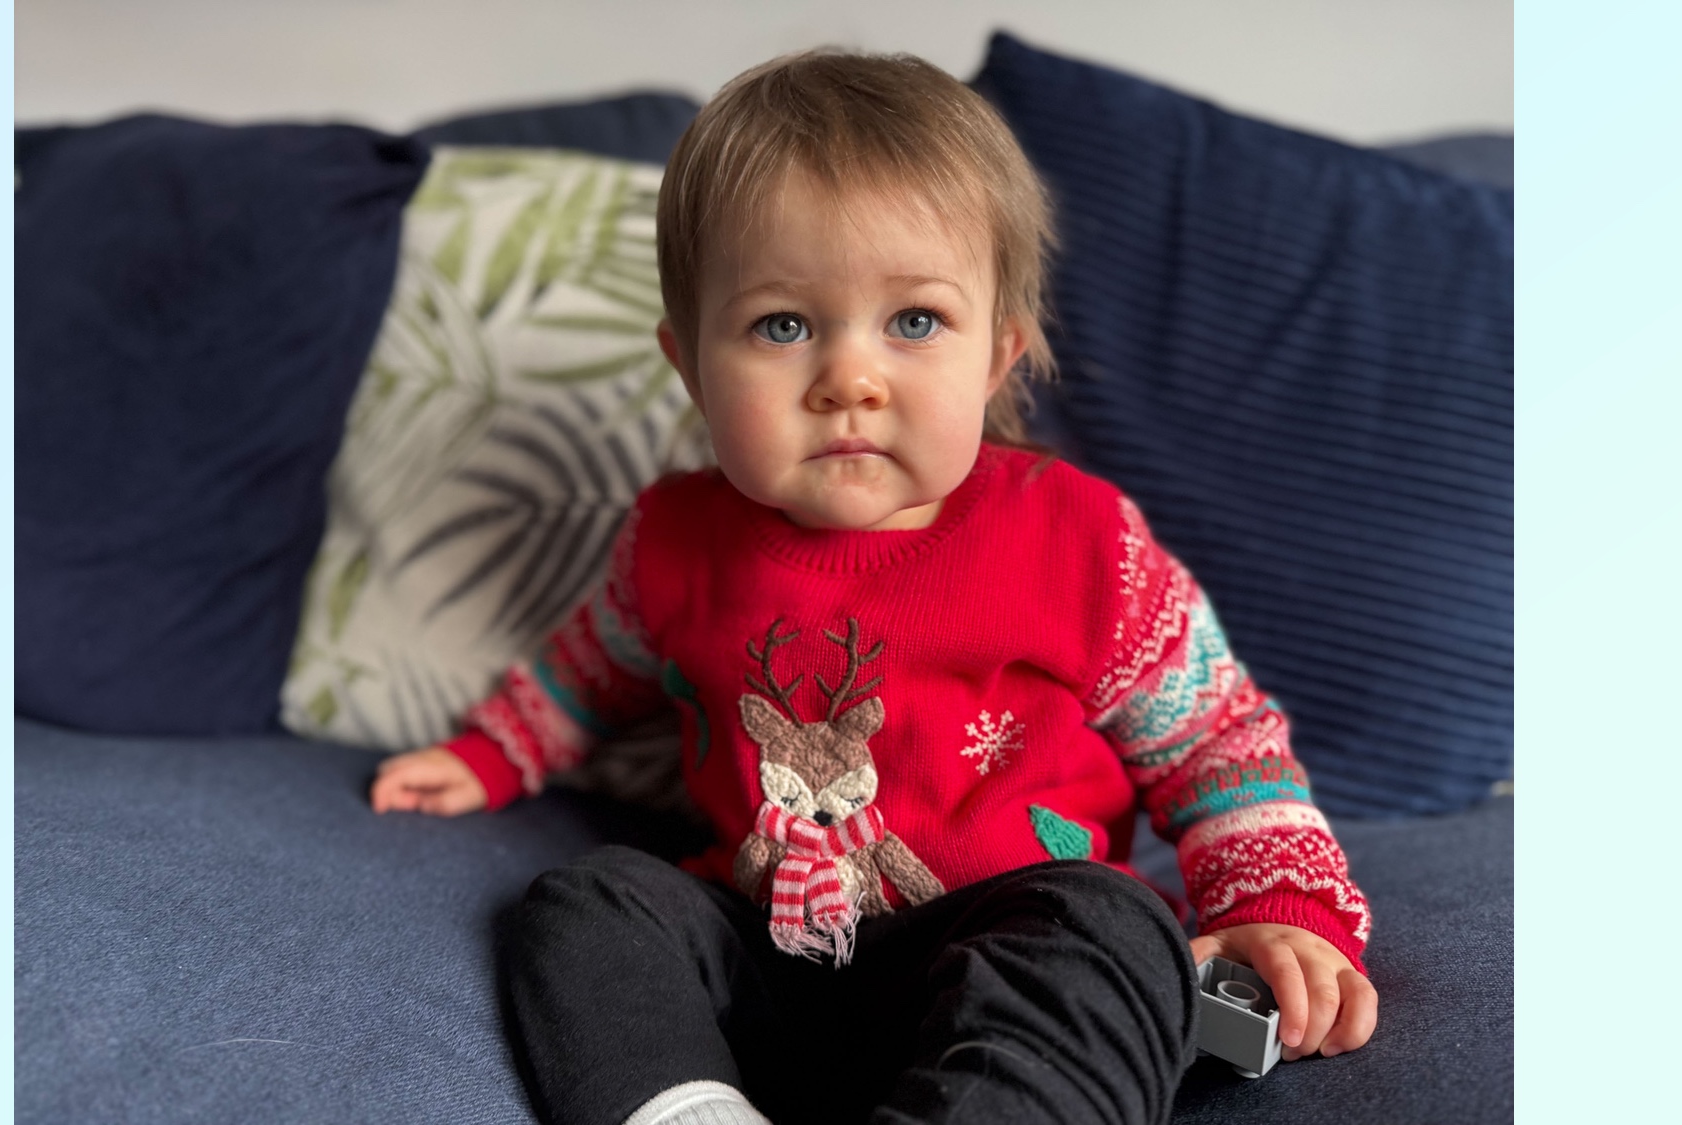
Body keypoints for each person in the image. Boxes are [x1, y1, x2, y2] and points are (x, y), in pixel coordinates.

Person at [371, 49, 1377, 1125]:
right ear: (689, 364)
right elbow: (591, 668)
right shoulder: (672, 539)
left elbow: (1215, 743)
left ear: (995, 356)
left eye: (912, 322)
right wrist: (490, 753)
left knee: (1110, 928)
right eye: (781, 325)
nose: (848, 378)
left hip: (1003, 963)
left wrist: (1279, 907)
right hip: (765, 971)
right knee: (586, 903)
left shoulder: (1077, 540)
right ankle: (691, 1110)